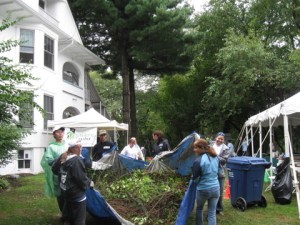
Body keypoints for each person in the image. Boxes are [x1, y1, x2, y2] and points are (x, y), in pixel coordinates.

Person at [52, 142, 93, 225]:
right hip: (76, 194)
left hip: (66, 191)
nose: (80, 149)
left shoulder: (63, 156)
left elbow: (54, 170)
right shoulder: (76, 160)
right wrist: (89, 183)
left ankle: (66, 220)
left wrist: (61, 161)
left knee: (68, 214)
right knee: (79, 218)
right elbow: (81, 179)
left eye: (81, 147)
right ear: (71, 148)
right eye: (77, 147)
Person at [40, 126, 68, 222]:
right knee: (60, 195)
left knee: (68, 194)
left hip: (69, 174)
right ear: (54, 134)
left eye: (62, 132)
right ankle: (64, 215)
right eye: (58, 132)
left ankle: (68, 215)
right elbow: (49, 160)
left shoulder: (67, 145)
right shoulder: (51, 147)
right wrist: (61, 158)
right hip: (58, 176)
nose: (60, 133)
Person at [192, 138, 220, 225]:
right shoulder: (216, 158)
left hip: (203, 189)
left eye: (195, 147)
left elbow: (195, 178)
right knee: (212, 212)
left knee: (199, 209)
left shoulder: (198, 161)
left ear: (201, 148)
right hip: (216, 188)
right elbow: (218, 172)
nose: (194, 150)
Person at [212, 132, 230, 215]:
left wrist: (215, 155)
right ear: (216, 138)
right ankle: (211, 208)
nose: (220, 140)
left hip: (220, 172)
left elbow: (224, 161)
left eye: (222, 139)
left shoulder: (226, 148)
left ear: (223, 140)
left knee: (220, 191)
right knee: (211, 190)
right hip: (210, 171)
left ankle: (219, 208)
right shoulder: (210, 146)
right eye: (218, 138)